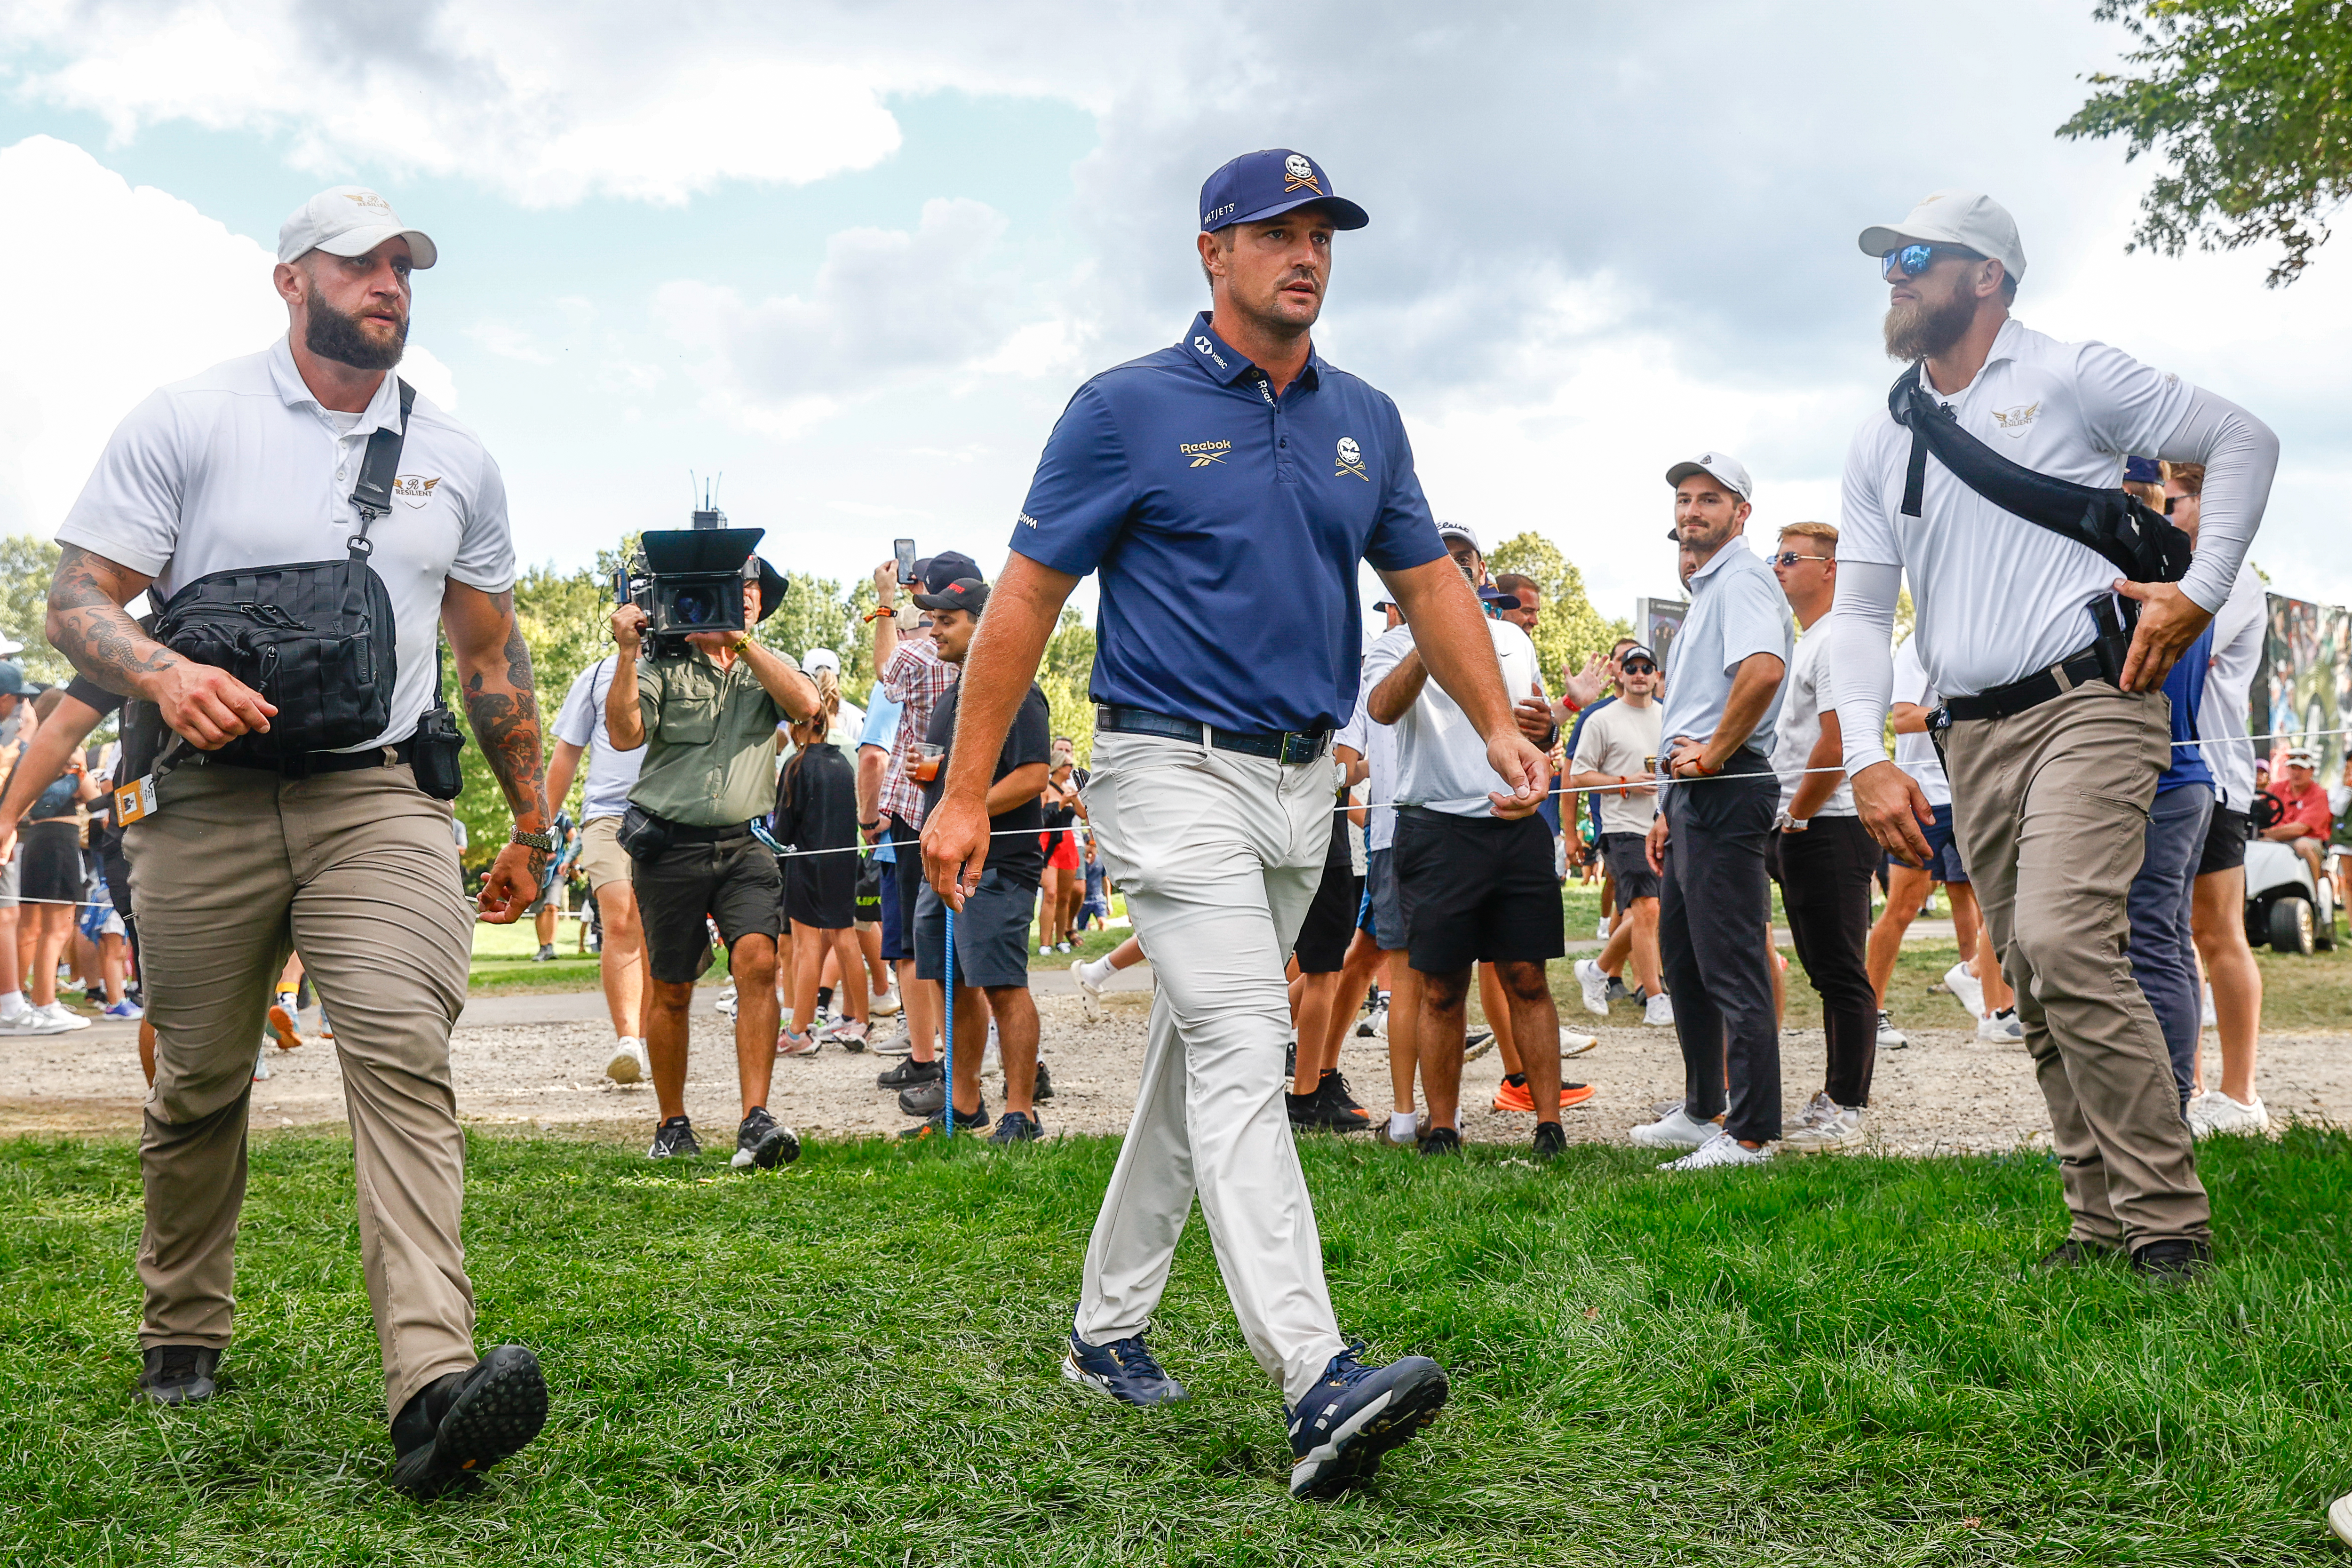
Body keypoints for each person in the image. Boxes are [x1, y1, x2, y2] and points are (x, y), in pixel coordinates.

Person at [922, 149, 1545, 1499]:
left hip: (1302, 779)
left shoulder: (1365, 415)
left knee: (1199, 1055)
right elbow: (1025, 599)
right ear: (1212, 251)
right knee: (1251, 1040)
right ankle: (1315, 1370)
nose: (1305, 253)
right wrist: (966, 787)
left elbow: (1430, 578)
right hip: (1166, 769)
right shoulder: (1123, 407)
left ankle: (1105, 1328)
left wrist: (1497, 717)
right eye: (1276, 231)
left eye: (1322, 233)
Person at [46, 185, 555, 1490]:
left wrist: (533, 822)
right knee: (202, 1080)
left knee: (396, 1045)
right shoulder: (190, 418)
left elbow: (490, 656)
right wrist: (162, 675)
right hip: (204, 800)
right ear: (291, 280)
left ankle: (433, 1386)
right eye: (362, 263)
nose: (390, 282)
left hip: (378, 795)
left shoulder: (458, 454)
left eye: (405, 266)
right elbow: (77, 598)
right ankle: (182, 1319)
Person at [1828, 188, 2276, 1282]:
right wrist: (1864, 754)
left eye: (1917, 257)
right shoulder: (1882, 433)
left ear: (1985, 275)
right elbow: (1854, 610)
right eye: (1888, 259)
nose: (1895, 276)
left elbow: (2241, 438)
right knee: (2026, 967)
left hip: (2090, 700)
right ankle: (2094, 1220)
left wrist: (2199, 593)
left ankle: (2165, 1224)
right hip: (1968, 735)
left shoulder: (2071, 373)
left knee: (2071, 944)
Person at [1364, 521, 1575, 1155]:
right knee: (1440, 985)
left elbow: (1535, 731)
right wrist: (1435, 637)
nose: (1457, 569)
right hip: (1435, 825)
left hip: (1513, 822)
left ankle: (1549, 1124)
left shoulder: (1512, 638)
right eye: (1443, 560)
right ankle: (1444, 1127)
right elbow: (1381, 709)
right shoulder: (1394, 641)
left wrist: (1545, 731)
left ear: (1483, 572)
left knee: (1527, 977)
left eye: (1467, 560)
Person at [607, 543, 819, 1169]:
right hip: (666, 846)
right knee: (671, 989)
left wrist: (745, 643)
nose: (747, 593)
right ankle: (672, 1125)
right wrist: (625, 652)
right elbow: (624, 734)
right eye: (734, 585)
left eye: (752, 586)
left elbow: (808, 708)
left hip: (745, 843)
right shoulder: (662, 662)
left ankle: (756, 1121)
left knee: (758, 963)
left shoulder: (766, 665)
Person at [1628, 453, 1793, 1170]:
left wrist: (1716, 754)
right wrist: (1669, 802)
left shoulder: (1746, 578)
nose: (1691, 510)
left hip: (1728, 788)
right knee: (1685, 962)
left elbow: (1763, 671)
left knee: (1731, 965)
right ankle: (1705, 1111)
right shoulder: (1711, 589)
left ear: (1741, 513)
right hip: (1693, 797)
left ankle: (1750, 1133)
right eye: (1684, 499)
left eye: (1710, 499)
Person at [901, 569, 1050, 1143]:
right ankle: (963, 1108)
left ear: (983, 625)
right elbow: (945, 778)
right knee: (951, 982)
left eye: (946, 620)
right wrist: (934, 790)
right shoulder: (952, 692)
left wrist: (965, 811)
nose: (933, 629)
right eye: (930, 619)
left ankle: (1021, 1113)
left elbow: (1035, 775)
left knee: (1002, 983)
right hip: (944, 865)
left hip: (995, 865)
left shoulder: (1017, 689)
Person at [1758, 524, 1883, 1154]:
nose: (1777, 567)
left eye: (1789, 558)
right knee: (1827, 970)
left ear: (1829, 568)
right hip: (1804, 823)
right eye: (1774, 557)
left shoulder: (1837, 639)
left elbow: (1836, 744)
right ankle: (1837, 1094)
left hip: (1828, 823)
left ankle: (1849, 1104)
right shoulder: (1809, 641)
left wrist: (1798, 816)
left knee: (1841, 970)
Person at [2167, 462, 2269, 1136]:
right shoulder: (2181, 568)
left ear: (2207, 501)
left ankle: (2239, 1096)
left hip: (2216, 773)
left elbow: (2183, 651)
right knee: (2169, 936)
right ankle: (2191, 1085)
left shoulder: (2230, 578)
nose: (2164, 514)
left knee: (2215, 931)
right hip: (2174, 773)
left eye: (2172, 503)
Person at [869, 558, 964, 1096]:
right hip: (970, 799)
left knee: (915, 940)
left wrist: (886, 603)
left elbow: (886, 678)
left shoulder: (919, 650)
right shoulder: (985, 652)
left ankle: (927, 1057)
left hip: (918, 803)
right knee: (968, 932)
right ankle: (972, 1057)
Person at [547, 651, 651, 1083]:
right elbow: (566, 755)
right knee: (622, 920)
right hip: (608, 815)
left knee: (655, 929)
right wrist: (534, 835)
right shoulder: (594, 677)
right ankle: (628, 1040)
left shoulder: (690, 664)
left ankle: (646, 1039)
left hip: (672, 813)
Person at [1569, 644, 1668, 1023]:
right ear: (1621, 675)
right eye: (1633, 667)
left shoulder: (1670, 717)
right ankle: (1657, 999)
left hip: (1664, 825)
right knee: (1648, 908)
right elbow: (1579, 776)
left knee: (1652, 915)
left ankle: (1596, 971)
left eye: (1647, 667)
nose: (1640, 673)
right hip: (1622, 827)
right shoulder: (1601, 719)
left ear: (1657, 676)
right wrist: (1625, 782)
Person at [773, 669, 869, 1054]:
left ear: (799, 727)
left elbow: (783, 828)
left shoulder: (795, 766)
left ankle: (800, 1029)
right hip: (844, 861)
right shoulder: (844, 763)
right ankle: (858, 1019)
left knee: (806, 946)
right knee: (847, 940)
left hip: (808, 863)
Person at [1036, 737, 1087, 952]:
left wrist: (1074, 799)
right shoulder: (1044, 787)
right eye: (1069, 766)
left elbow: (1083, 815)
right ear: (1059, 767)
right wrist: (1062, 802)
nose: (1071, 769)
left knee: (1065, 895)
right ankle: (1044, 943)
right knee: (1051, 893)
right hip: (1048, 843)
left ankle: (1061, 940)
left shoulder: (1069, 788)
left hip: (1068, 842)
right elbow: (1041, 817)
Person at [2263, 748, 2332, 877]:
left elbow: (2300, 829)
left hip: (2308, 839)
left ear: (2312, 771)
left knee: (2303, 846)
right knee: (2259, 846)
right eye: (2293, 768)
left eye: (2302, 769)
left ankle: (2314, 891)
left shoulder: (2319, 794)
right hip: (2276, 837)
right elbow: (2260, 812)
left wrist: (2267, 833)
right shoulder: (2275, 788)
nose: (2297, 773)